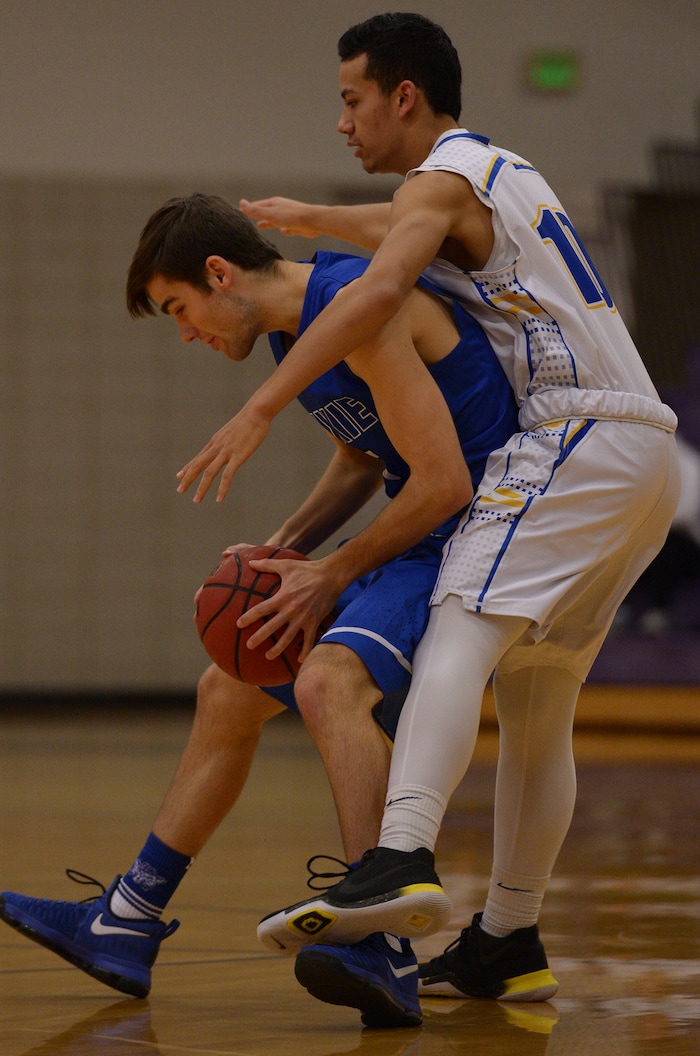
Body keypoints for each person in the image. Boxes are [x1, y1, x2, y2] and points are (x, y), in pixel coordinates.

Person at [169, 13, 679, 1007]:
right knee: (538, 705)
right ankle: (506, 937)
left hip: (572, 430)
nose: (343, 121)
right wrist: (311, 218)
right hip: (643, 451)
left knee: (460, 615)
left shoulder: (438, 179)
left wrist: (263, 407)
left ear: (404, 96)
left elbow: (377, 285)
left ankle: (396, 855)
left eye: (352, 99)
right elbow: (391, 230)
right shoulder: (495, 173)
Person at [0, 192, 520, 1029]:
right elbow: (362, 456)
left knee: (328, 684)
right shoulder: (295, 330)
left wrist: (332, 570)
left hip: (477, 535)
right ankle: (127, 919)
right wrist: (285, 545)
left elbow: (445, 484)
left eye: (180, 310)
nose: (186, 333)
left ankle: (382, 942)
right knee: (228, 686)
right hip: (422, 533)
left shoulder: (361, 305)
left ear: (219, 274)